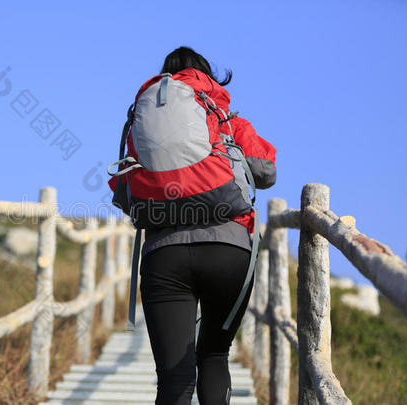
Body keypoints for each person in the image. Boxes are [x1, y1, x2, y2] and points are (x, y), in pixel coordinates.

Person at [138, 46, 277, 405]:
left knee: (173, 377)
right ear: (207, 78)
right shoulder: (227, 118)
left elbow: (127, 188)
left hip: (164, 253)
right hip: (228, 250)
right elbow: (266, 172)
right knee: (213, 356)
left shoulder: (144, 117)